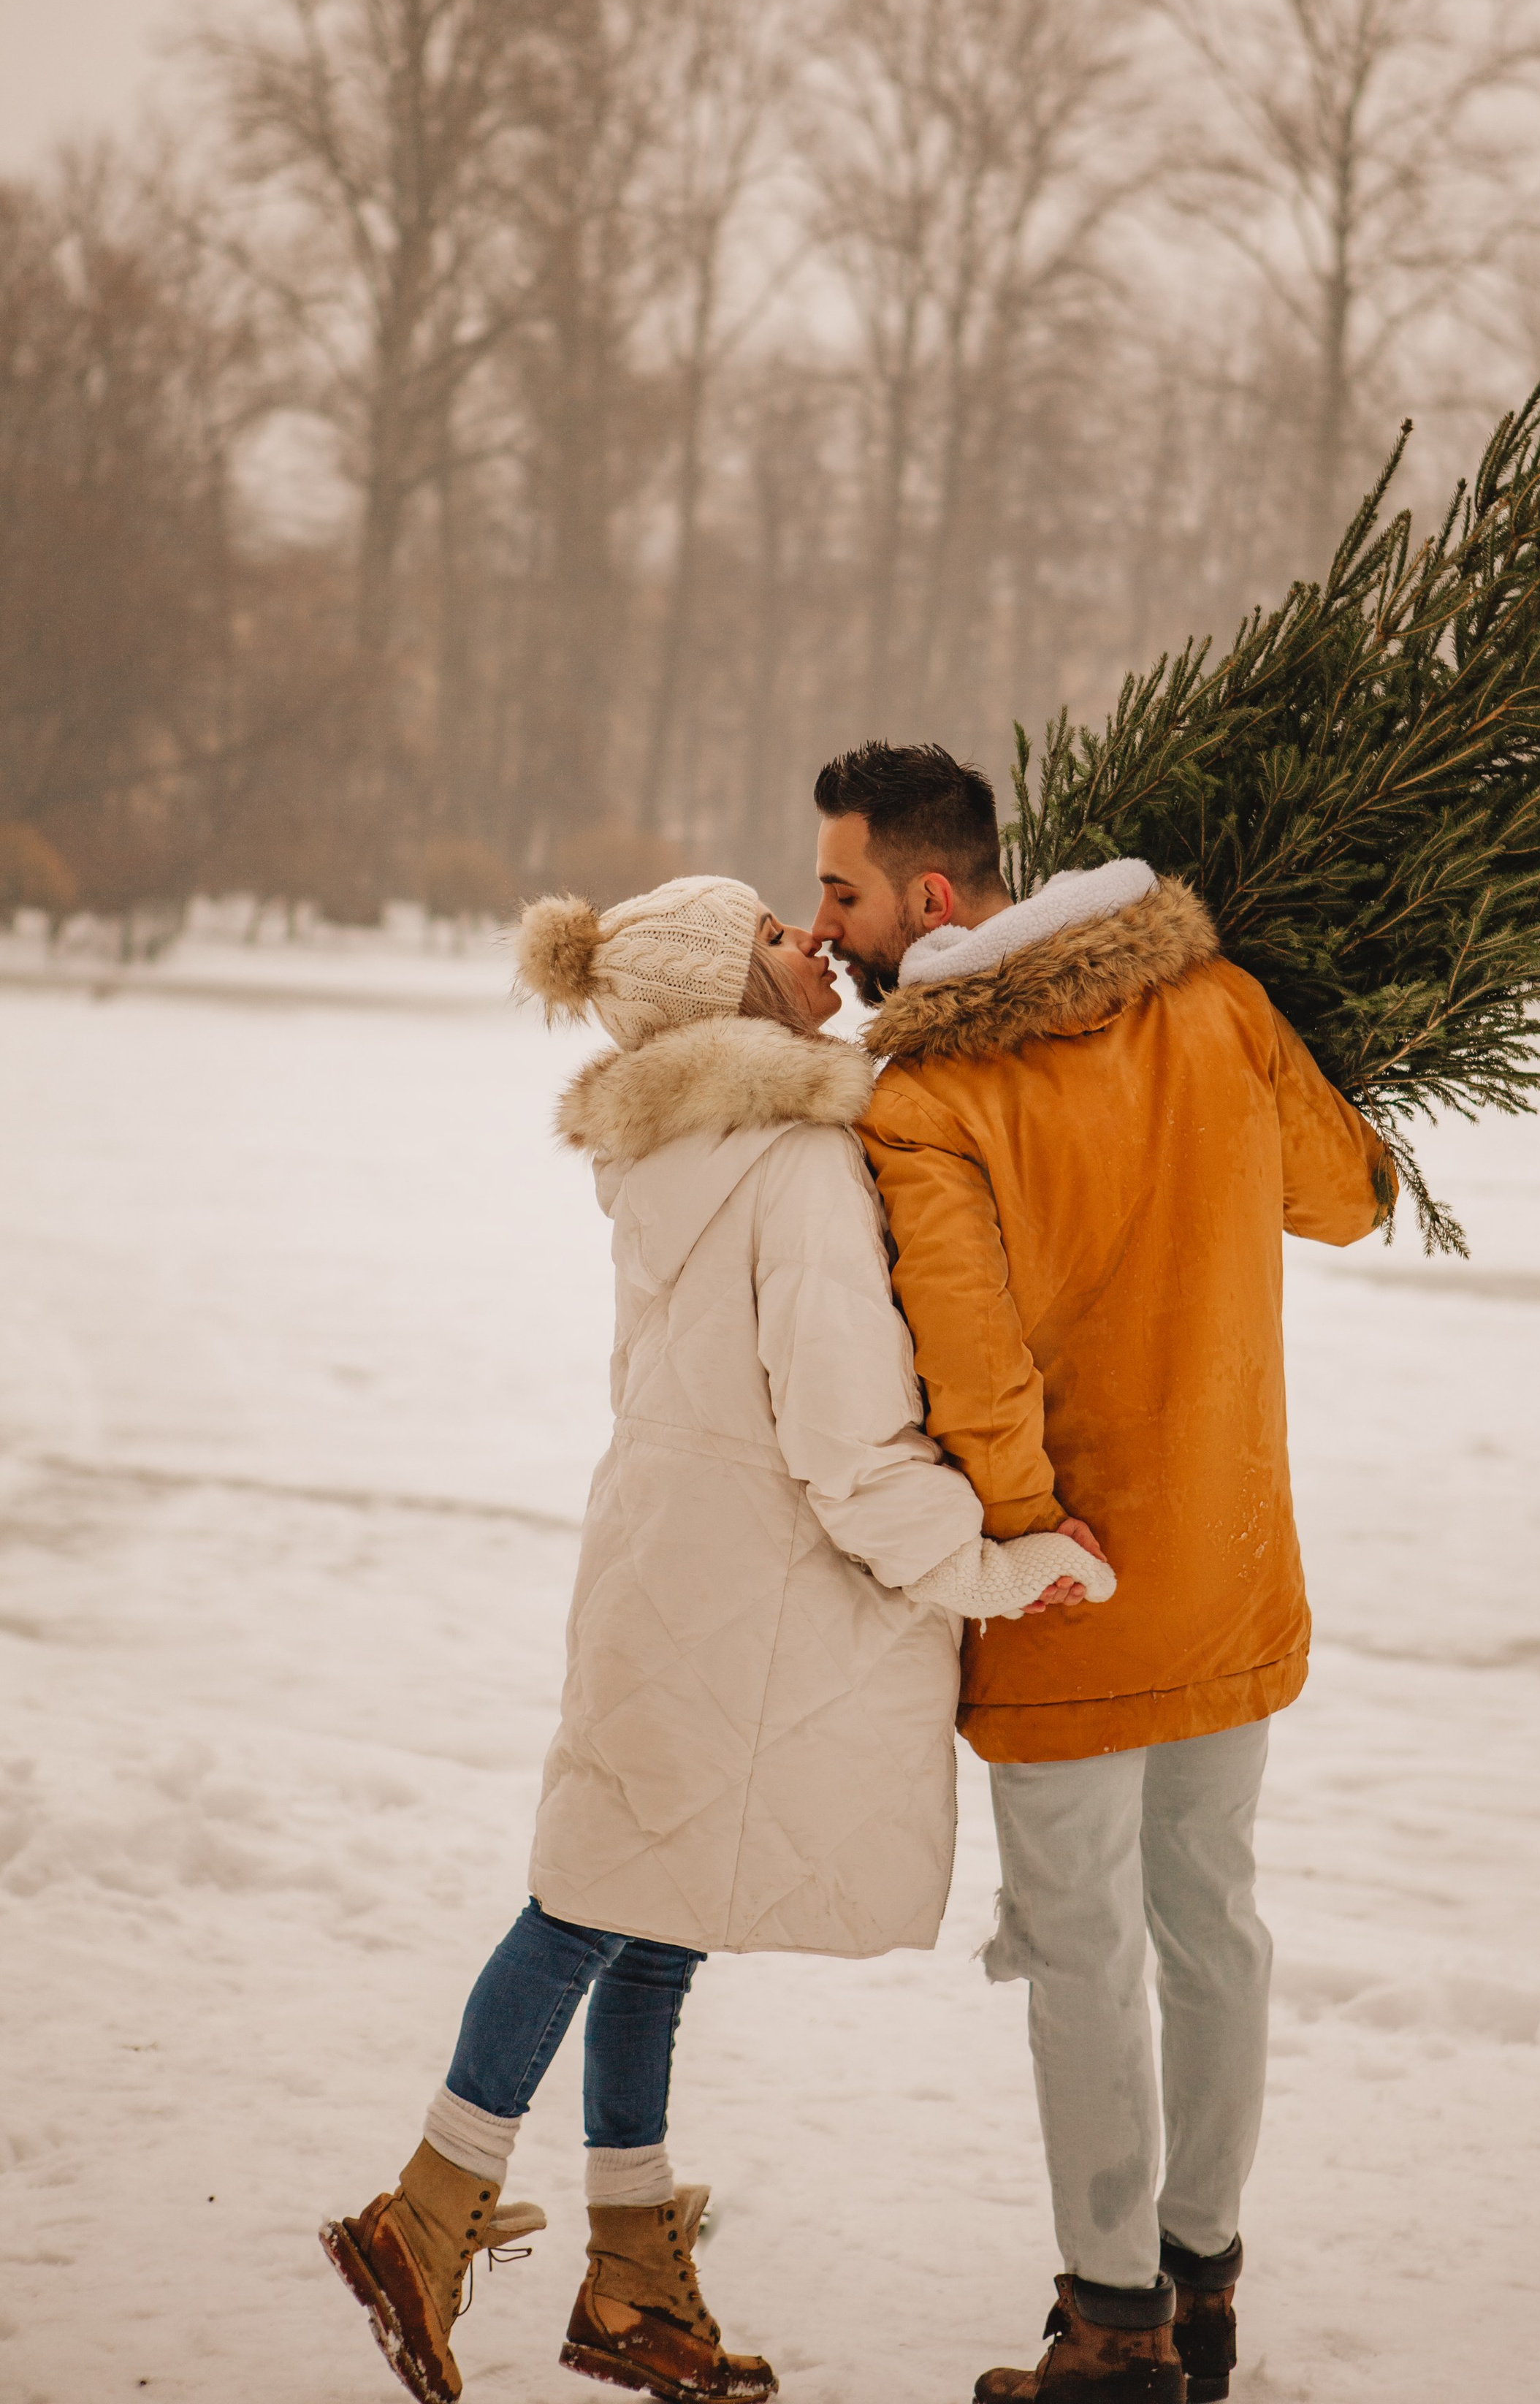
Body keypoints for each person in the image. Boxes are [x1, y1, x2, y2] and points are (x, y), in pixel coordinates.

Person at [319, 873, 1112, 2404]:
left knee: (647, 1913)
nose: (811, 940)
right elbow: (846, 1443)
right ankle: (425, 2210)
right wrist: (1003, 1568)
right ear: (724, 996)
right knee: (589, 1901)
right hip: (737, 1589)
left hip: (676, 1571)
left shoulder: (675, 1145)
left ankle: (629, 2288)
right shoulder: (799, 1164)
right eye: (773, 933)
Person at [811, 746, 1395, 2404]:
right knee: (1212, 1915)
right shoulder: (1209, 1001)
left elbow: (975, 1373)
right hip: (1227, 1560)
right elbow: (1346, 1197)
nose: (823, 922)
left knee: (1081, 1953)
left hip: (1068, 1587)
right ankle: (1203, 2286)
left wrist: (1018, 1550)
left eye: (841, 890)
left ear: (932, 897)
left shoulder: (925, 1099)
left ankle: (1114, 2324)